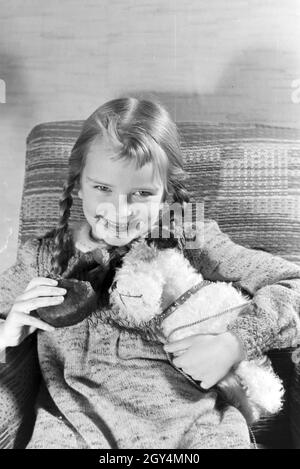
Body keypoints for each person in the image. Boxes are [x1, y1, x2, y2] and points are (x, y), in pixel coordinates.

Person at [1, 97, 300, 449]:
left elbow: (293, 284)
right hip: (72, 434)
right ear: (78, 182)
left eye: (141, 193)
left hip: (196, 433)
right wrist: (6, 335)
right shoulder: (42, 258)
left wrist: (233, 343)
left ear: (165, 195)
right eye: (102, 188)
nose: (120, 210)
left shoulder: (189, 237)